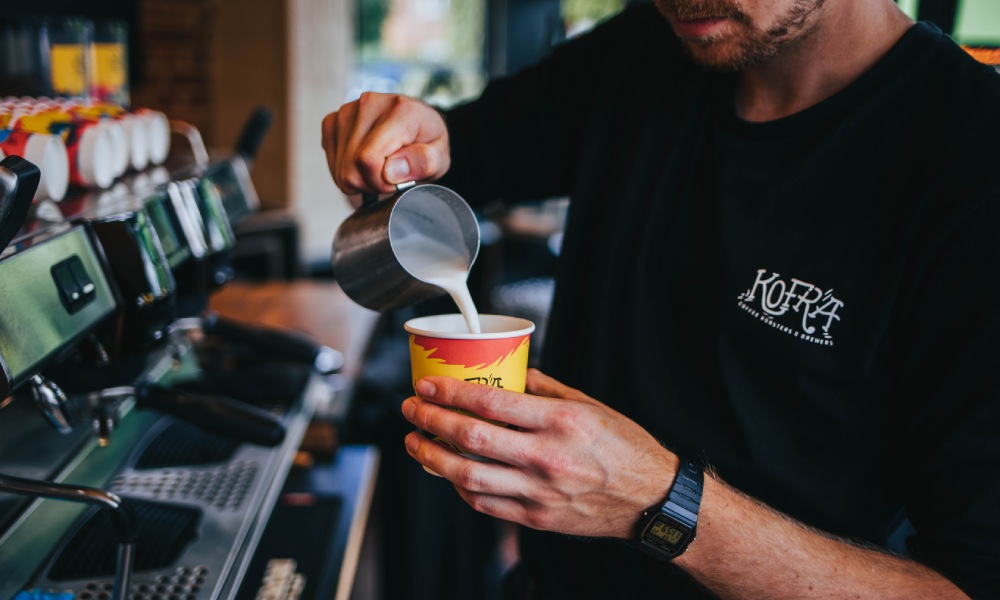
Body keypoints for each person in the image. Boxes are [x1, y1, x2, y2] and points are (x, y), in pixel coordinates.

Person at [322, 0, 1000, 597]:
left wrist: (660, 503)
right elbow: (457, 154)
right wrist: (404, 138)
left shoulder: (969, 165)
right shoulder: (645, 52)